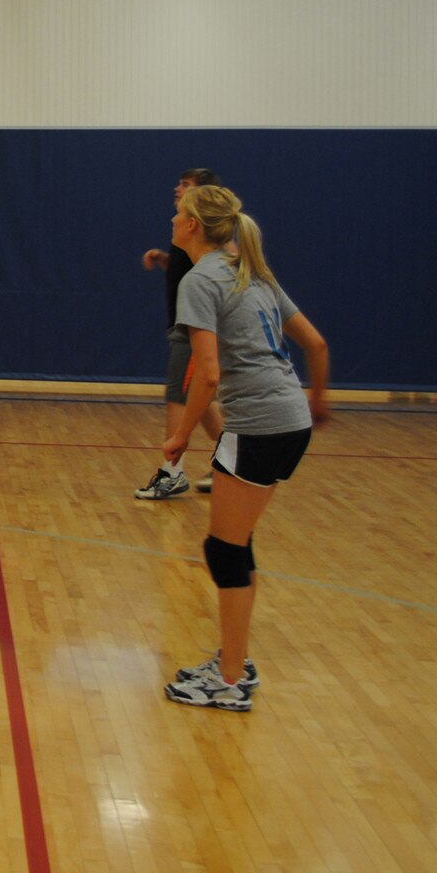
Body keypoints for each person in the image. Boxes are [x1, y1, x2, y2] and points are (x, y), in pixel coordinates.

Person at [161, 184, 329, 713]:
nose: (172, 217)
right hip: (287, 420)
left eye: (177, 212)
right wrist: (316, 402)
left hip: (259, 425)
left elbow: (207, 375)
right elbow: (317, 345)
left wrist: (181, 435)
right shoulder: (249, 269)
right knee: (236, 544)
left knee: (225, 551)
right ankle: (235, 660)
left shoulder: (201, 279)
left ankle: (230, 681)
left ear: (192, 224)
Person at [135, 167, 227, 499]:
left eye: (185, 185)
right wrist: (164, 259)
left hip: (192, 330)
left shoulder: (215, 241)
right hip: (183, 325)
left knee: (178, 396)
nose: (177, 188)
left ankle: (172, 472)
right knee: (198, 401)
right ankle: (231, 462)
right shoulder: (191, 238)